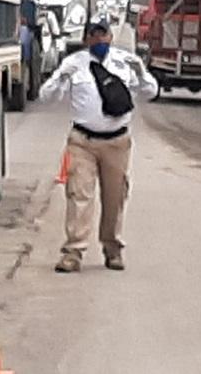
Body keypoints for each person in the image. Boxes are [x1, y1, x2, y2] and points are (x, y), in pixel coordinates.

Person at [39, 20, 159, 273]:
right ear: (86, 39)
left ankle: (112, 249)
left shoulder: (124, 63)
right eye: (94, 36)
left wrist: (141, 71)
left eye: (104, 35)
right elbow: (46, 97)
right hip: (82, 141)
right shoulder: (75, 64)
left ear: (111, 36)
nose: (100, 41)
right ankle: (73, 251)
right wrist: (60, 78)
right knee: (79, 195)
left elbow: (150, 92)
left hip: (117, 142)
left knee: (115, 198)